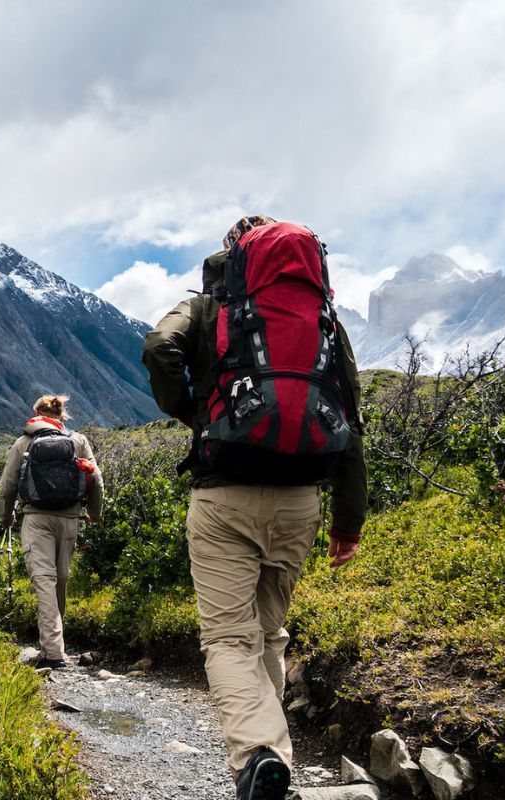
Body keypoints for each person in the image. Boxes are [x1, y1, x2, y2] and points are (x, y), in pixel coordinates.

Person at [142, 215, 367, 800]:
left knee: (227, 639)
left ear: (234, 253)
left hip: (225, 493)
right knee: (268, 633)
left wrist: (199, 415)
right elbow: (348, 415)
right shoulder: (323, 318)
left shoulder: (213, 305)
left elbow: (158, 347)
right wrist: (349, 520)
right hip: (302, 499)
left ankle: (260, 755)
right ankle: (275, 763)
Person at [0, 394, 104, 669]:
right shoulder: (78, 441)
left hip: (36, 519)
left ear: (36, 414)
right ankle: (55, 645)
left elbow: (7, 486)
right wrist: (94, 514)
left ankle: (53, 652)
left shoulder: (24, 442)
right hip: (69, 519)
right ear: (61, 416)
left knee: (44, 580)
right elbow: (96, 479)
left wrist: (6, 517)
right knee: (60, 579)